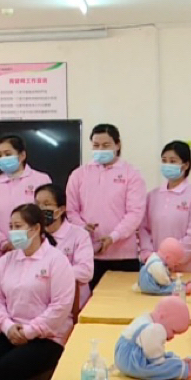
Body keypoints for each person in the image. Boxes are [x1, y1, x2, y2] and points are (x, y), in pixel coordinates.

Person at [0, 204, 75, 380]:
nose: (13, 232)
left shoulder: (57, 261)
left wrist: (29, 332)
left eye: (18, 226)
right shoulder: (7, 260)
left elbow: (60, 307)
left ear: (36, 229)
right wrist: (8, 327)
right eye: (10, 226)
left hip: (47, 337)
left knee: (9, 368)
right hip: (10, 329)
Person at [66, 124, 147, 289]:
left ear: (118, 145)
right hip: (88, 254)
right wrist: (82, 227)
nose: (100, 150)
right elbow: (71, 210)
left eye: (106, 145)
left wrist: (113, 237)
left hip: (123, 255)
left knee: (123, 300)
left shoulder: (131, 174)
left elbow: (135, 213)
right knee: (92, 301)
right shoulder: (79, 174)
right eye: (96, 145)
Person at [138, 141, 191, 273]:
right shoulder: (152, 196)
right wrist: (150, 257)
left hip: (187, 270)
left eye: (173, 161)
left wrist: (169, 259)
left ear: (186, 165)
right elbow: (144, 229)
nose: (167, 165)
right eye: (164, 161)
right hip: (155, 268)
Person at [0, 136, 52, 256]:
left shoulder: (41, 179)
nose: (3, 158)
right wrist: (3, 243)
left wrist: (31, 241)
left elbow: (47, 214)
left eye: (8, 154)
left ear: (22, 155)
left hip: (35, 249)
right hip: (2, 252)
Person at [34, 183, 94, 310]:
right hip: (40, 304)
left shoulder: (79, 235)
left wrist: (50, 273)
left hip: (73, 304)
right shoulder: (33, 235)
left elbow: (86, 271)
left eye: (46, 204)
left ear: (60, 210)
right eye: (37, 204)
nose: (40, 209)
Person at [114, 297, 191, 380]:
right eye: (173, 331)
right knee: (158, 369)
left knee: (160, 355)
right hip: (130, 361)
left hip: (122, 356)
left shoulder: (145, 318)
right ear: (162, 316)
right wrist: (160, 362)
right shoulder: (156, 328)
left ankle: (174, 362)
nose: (172, 337)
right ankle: (181, 370)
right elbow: (154, 354)